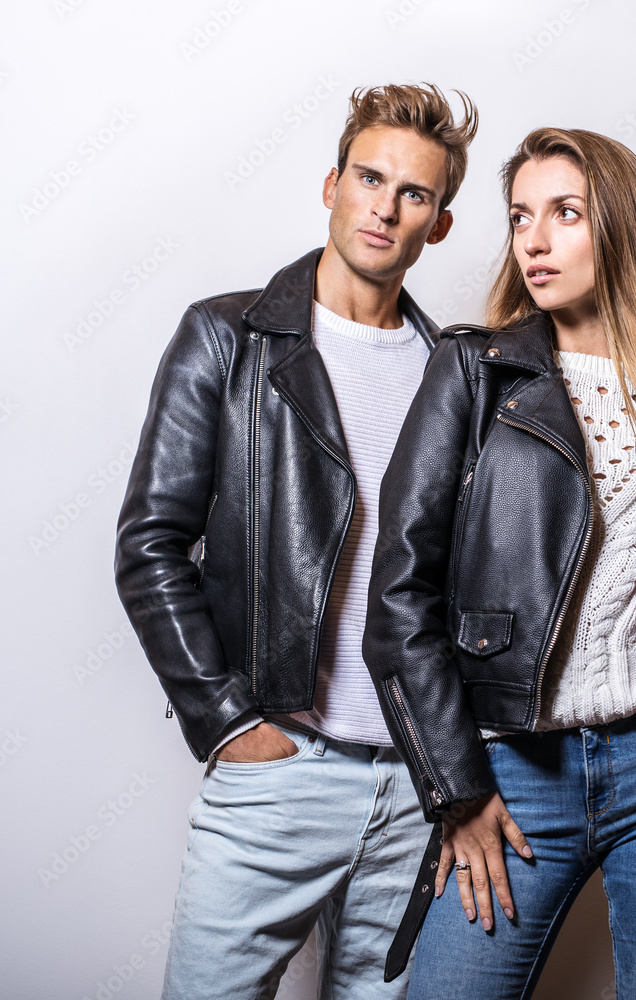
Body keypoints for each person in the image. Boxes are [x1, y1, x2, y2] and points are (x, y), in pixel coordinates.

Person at [362, 127, 636, 1000]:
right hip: (514, 773)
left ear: (624, 230)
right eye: (521, 216)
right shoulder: (474, 372)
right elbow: (399, 597)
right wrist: (457, 789)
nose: (533, 239)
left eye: (566, 213)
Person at [114, 83, 478, 999]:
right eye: (370, 178)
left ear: (438, 223)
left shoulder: (458, 378)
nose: (385, 207)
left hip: (413, 790)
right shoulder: (227, 338)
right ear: (331, 184)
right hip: (280, 771)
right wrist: (228, 722)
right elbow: (151, 544)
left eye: (415, 194)